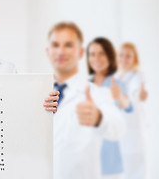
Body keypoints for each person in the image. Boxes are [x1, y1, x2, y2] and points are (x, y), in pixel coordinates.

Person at [46, 22, 126, 179]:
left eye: (68, 45)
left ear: (81, 53)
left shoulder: (96, 93)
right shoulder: (40, 92)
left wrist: (98, 118)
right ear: (48, 51)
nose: (61, 51)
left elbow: (119, 127)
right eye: (55, 45)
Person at [86, 37, 133, 179]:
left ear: (110, 56)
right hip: (87, 159)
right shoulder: (85, 85)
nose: (97, 58)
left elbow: (127, 105)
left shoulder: (116, 83)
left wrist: (119, 97)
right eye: (92, 54)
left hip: (110, 163)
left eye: (102, 53)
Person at [116, 42, 148, 179]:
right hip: (120, 134)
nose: (124, 59)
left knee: (135, 172)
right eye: (121, 55)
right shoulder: (116, 78)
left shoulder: (137, 76)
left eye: (128, 56)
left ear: (135, 58)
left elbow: (137, 93)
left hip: (134, 135)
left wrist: (139, 94)